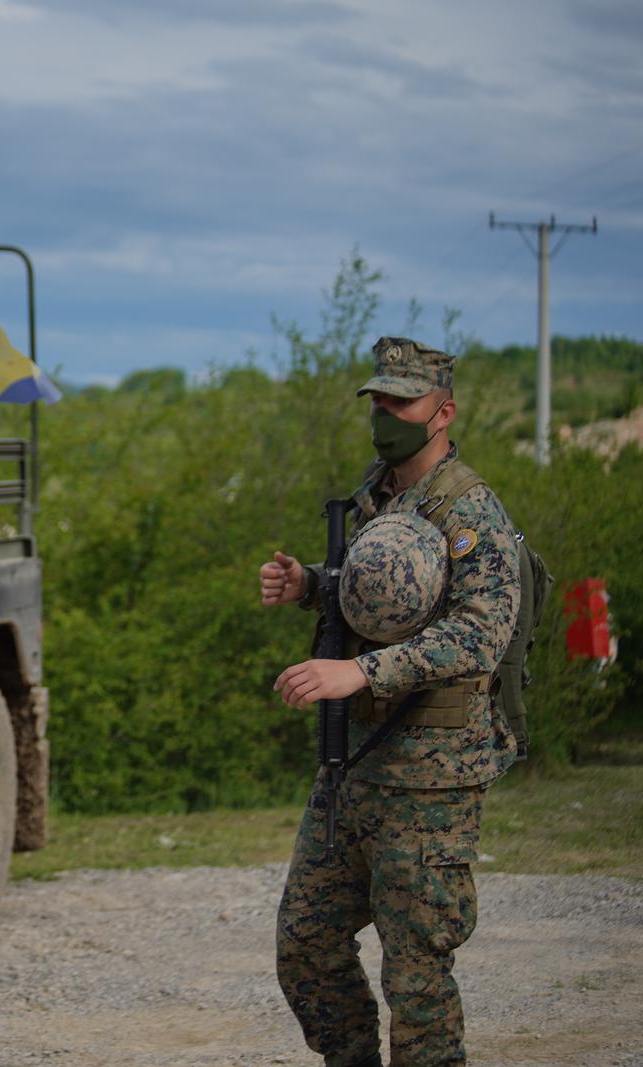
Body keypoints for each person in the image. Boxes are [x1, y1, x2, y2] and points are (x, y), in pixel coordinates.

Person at [260, 337, 521, 1067]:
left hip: (430, 777)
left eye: (401, 400)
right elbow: (387, 593)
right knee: (305, 946)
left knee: (417, 976)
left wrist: (362, 674)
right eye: (378, 399)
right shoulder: (378, 493)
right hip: (353, 764)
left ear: (443, 411)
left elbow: (479, 634)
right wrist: (311, 585)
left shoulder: (471, 512)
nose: (385, 414)